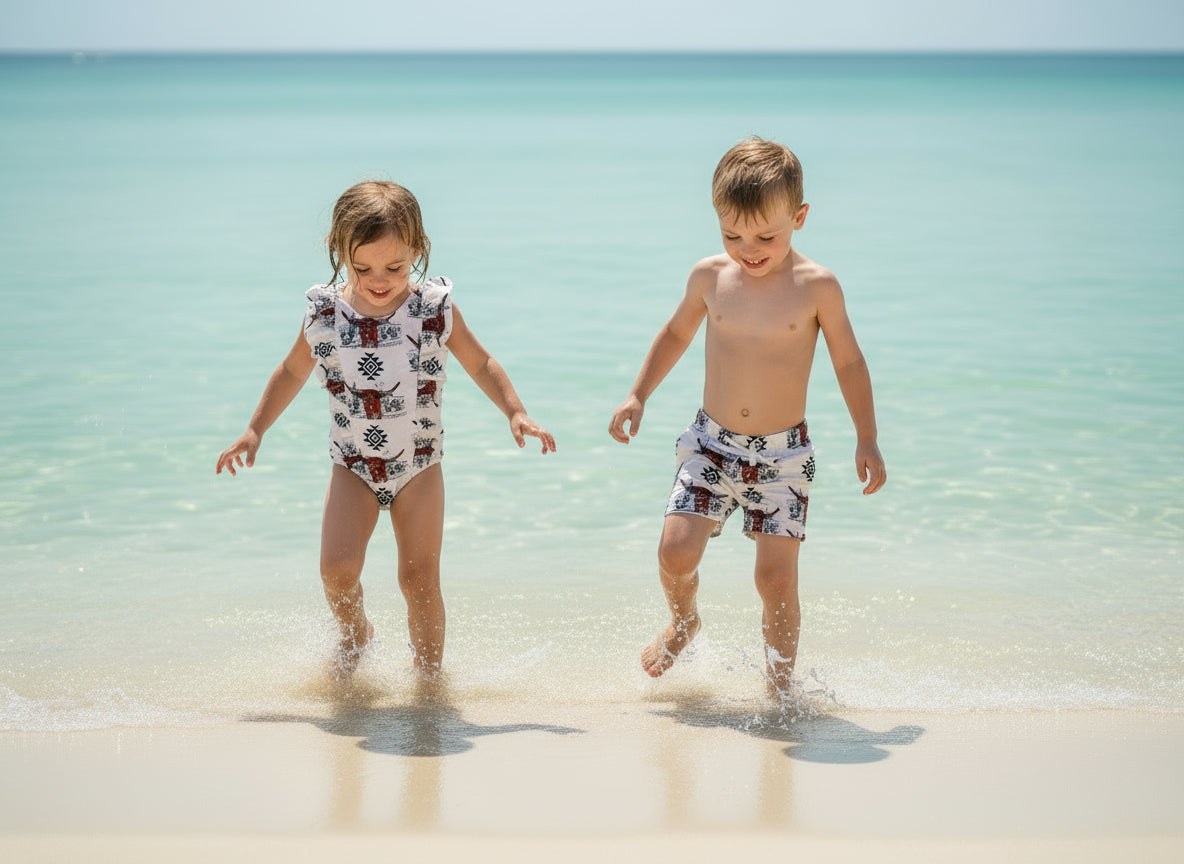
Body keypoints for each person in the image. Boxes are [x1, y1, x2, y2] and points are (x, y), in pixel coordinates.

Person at [217, 180, 556, 681]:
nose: (380, 280)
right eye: (363, 269)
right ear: (340, 252)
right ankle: (356, 633)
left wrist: (515, 411)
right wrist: (254, 430)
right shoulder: (325, 315)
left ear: (417, 249)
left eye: (395, 268)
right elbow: (290, 372)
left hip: (418, 466)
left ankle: (428, 682)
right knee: (336, 571)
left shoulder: (433, 310)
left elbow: (481, 362)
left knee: (419, 579)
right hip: (352, 464)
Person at [608, 138, 885, 697]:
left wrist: (867, 437)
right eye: (731, 235)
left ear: (799, 218)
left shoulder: (818, 287)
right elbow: (676, 334)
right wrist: (638, 395)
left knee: (774, 580)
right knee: (675, 552)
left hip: (784, 457)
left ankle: (779, 691)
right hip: (711, 445)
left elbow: (849, 361)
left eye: (765, 237)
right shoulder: (710, 277)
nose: (748, 250)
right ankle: (683, 623)